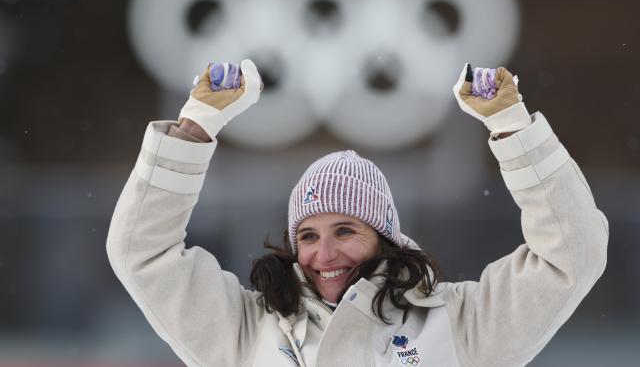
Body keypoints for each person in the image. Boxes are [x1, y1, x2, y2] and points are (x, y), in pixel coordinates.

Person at [107, 59, 608, 367]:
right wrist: (194, 130)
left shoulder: (459, 328)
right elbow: (140, 253)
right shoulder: (246, 330)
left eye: (344, 229)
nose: (324, 253)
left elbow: (573, 252)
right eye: (306, 235)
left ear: (384, 236)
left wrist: (513, 130)